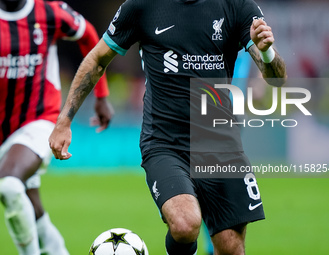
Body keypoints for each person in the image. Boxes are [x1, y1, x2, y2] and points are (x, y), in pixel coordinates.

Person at [49, 0, 287, 254]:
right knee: (185, 224)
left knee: (231, 248)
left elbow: (277, 79)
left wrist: (266, 52)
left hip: (221, 143)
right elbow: (98, 59)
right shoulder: (142, 6)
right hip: (164, 142)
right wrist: (64, 121)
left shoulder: (236, 6)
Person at [0, 0, 113, 255]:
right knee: (31, 206)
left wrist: (102, 95)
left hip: (37, 119)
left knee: (8, 183)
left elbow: (89, 35)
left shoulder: (49, 11)